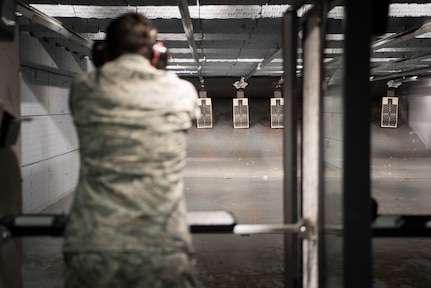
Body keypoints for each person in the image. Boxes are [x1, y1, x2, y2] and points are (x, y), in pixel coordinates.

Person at [62, 12, 199, 288]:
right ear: (158, 55)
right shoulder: (182, 92)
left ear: (103, 54)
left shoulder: (84, 88)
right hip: (162, 245)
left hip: (93, 244)